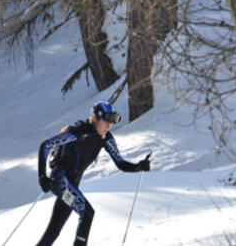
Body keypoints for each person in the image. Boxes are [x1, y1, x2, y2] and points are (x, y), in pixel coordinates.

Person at [36, 100, 151, 246]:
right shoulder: (79, 132)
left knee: (53, 232)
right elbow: (45, 145)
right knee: (87, 213)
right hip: (60, 181)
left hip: (72, 185)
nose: (109, 126)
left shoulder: (106, 138)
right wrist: (42, 177)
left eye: (111, 122)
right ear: (95, 119)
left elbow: (120, 163)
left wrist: (138, 166)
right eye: (106, 121)